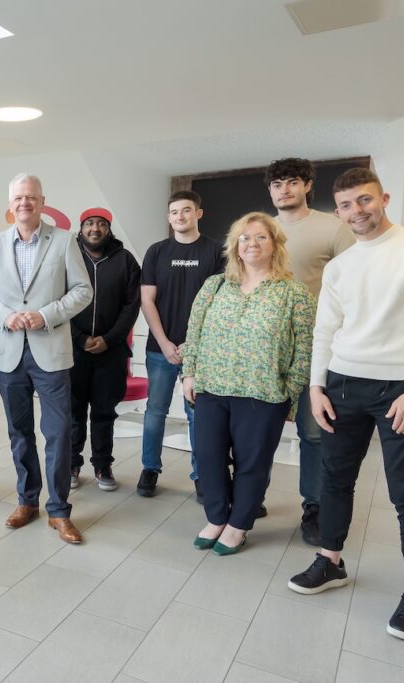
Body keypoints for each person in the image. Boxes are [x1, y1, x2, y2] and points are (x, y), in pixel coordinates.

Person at [287, 168, 404, 642]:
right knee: (334, 480)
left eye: (364, 200)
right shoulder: (340, 266)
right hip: (342, 385)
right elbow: (326, 329)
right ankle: (330, 560)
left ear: (383, 198)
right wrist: (316, 386)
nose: (356, 211)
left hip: (399, 388)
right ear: (338, 211)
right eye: (346, 204)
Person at [182, 212, 314, 555]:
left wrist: (291, 395)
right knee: (208, 456)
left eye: (260, 237)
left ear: (275, 245)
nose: (251, 243)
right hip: (212, 388)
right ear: (235, 246)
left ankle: (238, 524)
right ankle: (216, 517)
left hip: (264, 394)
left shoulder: (295, 293)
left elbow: (305, 350)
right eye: (244, 238)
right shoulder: (214, 286)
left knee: (251, 464)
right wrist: (189, 374)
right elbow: (194, 332)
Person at [0, 173, 93, 544]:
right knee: (19, 433)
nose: (24, 203)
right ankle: (27, 501)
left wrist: (46, 315)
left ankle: (59, 510)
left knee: (58, 432)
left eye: (31, 197)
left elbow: (82, 290)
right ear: (10, 205)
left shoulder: (64, 241)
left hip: (51, 351)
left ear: (42, 202)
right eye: (18, 198)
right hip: (10, 354)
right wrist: (6, 316)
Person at [266, 158, 355, 546]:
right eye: (277, 184)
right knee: (257, 431)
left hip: (315, 348)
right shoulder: (262, 229)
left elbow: (354, 286)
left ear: (306, 185)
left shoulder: (332, 228)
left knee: (314, 433)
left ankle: (315, 507)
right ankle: (250, 497)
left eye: (291, 182)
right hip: (266, 349)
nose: (284, 189)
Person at [137, 191, 224, 499]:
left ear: (198, 213)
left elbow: (219, 302)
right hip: (159, 348)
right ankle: (150, 468)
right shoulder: (157, 251)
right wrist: (164, 343)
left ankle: (201, 475)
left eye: (186, 210)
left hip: (199, 352)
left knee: (197, 415)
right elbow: (147, 300)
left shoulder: (217, 251)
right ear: (169, 217)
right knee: (155, 411)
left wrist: (193, 344)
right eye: (174, 212)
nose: (180, 216)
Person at [69, 207, 140, 492]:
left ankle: (102, 465)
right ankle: (71, 463)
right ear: (81, 228)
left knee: (103, 412)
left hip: (111, 352)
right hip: (73, 351)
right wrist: (79, 338)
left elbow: (132, 305)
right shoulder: (68, 256)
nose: (95, 229)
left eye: (101, 224)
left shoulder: (125, 260)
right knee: (73, 411)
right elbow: (55, 300)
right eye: (89, 223)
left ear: (109, 229)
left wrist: (109, 339)